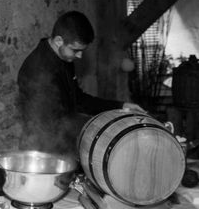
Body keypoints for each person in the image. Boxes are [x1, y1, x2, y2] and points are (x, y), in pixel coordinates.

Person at [17, 11, 144, 155]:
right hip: (43, 150)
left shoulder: (64, 57)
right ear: (59, 41)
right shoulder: (37, 69)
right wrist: (98, 127)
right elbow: (49, 123)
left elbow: (79, 100)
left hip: (64, 144)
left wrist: (120, 106)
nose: (80, 56)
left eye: (82, 50)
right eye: (76, 50)